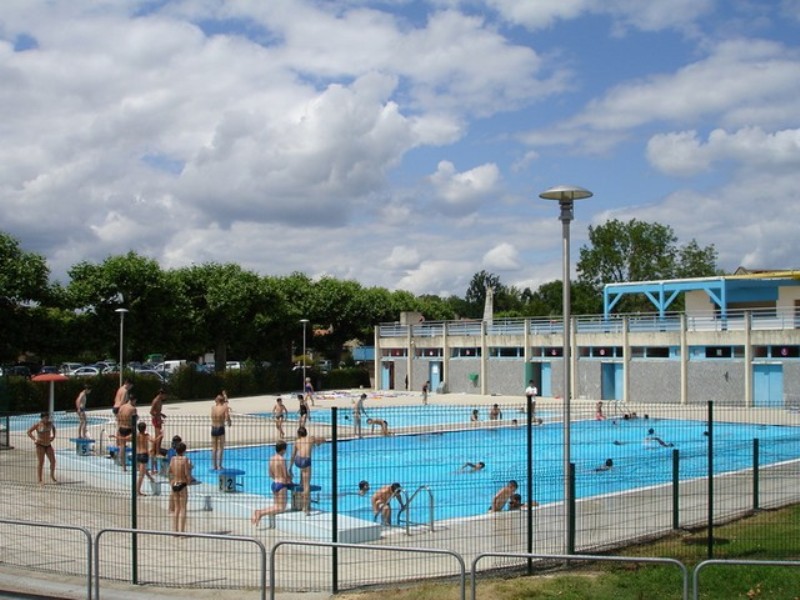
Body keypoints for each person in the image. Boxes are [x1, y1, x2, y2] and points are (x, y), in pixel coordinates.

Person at [252, 440, 293, 527]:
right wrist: (290, 478)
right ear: (283, 450)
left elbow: (270, 474)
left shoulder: (271, 459)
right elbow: (285, 475)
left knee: (276, 506)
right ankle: (260, 513)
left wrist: (277, 478)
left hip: (274, 484)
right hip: (281, 485)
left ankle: (260, 512)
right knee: (281, 508)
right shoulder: (282, 459)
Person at [290, 426, 324, 515]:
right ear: (306, 433)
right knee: (306, 486)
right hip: (306, 461)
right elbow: (322, 439)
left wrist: (290, 468)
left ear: (298, 434)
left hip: (298, 460)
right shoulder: (310, 439)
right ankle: (305, 509)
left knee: (303, 471)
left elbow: (293, 455)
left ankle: (301, 482)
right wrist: (319, 442)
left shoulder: (296, 441)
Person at [168, 441, 192, 533]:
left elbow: (169, 471)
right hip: (182, 484)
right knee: (183, 508)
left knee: (176, 508)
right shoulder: (185, 459)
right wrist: (189, 481)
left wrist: (171, 481)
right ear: (184, 451)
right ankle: (182, 531)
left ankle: (175, 530)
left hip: (174, 483)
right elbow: (186, 473)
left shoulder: (173, 459)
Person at [27, 412, 57, 485]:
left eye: (48, 417)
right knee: (41, 462)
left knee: (53, 461)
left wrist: (53, 436)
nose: (47, 419)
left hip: (48, 445)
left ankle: (52, 475)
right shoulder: (38, 424)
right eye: (46, 418)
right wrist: (34, 439)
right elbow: (29, 432)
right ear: (42, 418)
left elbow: (53, 428)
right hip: (40, 445)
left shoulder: (50, 424)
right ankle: (40, 480)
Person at [210, 391, 232, 470]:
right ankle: (219, 466)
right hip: (220, 428)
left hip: (213, 428)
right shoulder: (224, 407)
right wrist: (229, 422)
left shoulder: (213, 407)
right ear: (222, 401)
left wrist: (225, 397)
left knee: (214, 448)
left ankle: (214, 466)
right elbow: (227, 417)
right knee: (220, 448)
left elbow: (224, 403)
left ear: (217, 401)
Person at [116, 395, 138, 471]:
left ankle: (123, 466)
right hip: (129, 428)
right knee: (136, 445)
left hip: (121, 428)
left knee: (122, 447)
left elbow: (118, 417)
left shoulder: (122, 407)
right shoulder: (133, 409)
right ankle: (137, 464)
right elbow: (135, 419)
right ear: (133, 400)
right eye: (135, 401)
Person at [135, 421, 155, 496]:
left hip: (138, 455)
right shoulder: (146, 435)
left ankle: (151, 478)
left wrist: (117, 437)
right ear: (145, 428)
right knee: (141, 475)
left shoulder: (136, 435)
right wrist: (160, 436)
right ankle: (138, 491)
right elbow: (153, 440)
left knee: (143, 470)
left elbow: (127, 438)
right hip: (144, 455)